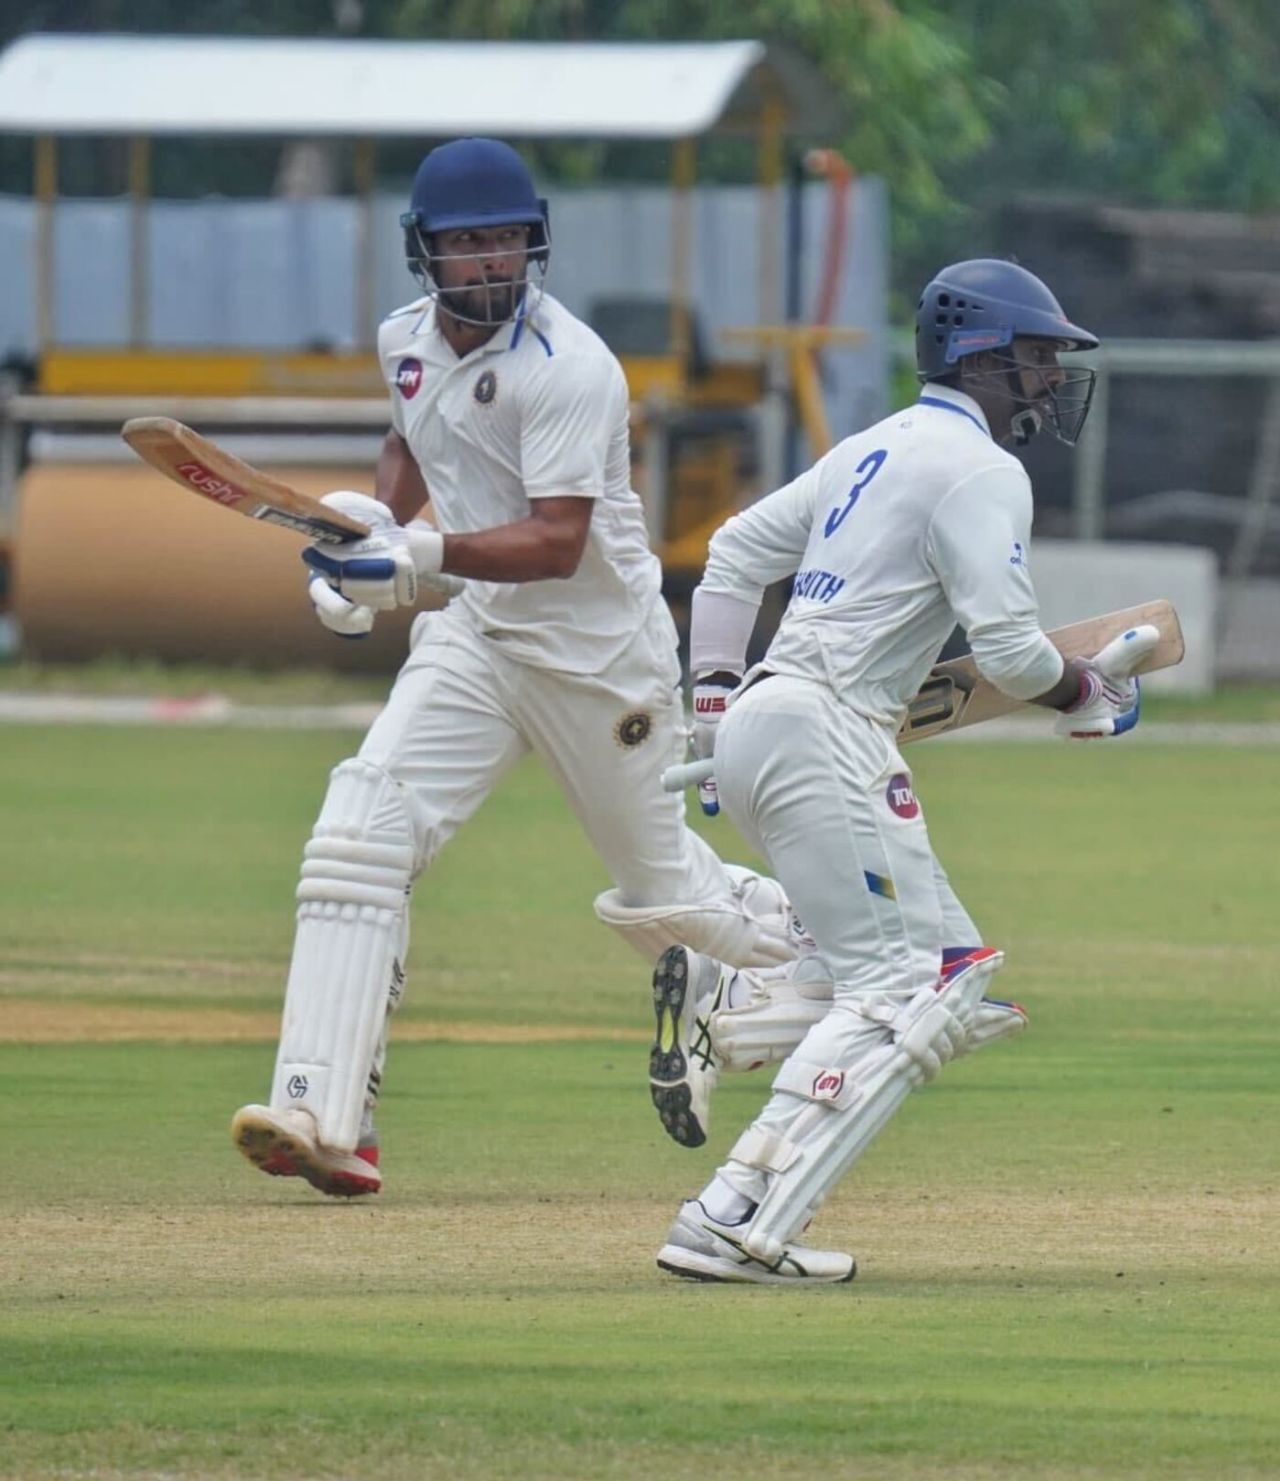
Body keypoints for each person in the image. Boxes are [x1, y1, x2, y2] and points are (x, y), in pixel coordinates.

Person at [230, 137, 800, 1197]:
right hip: (482, 639)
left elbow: (554, 542)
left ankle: (816, 960)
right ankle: (324, 1113)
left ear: (532, 242)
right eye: (465, 244)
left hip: (597, 659)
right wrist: (365, 535)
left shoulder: (568, 365)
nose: (489, 262)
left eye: (504, 241)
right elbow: (413, 444)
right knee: (357, 835)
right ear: (425, 254)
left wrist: (417, 556)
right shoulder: (404, 337)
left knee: (661, 892)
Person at [650, 258, 1141, 1284]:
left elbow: (734, 550)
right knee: (914, 987)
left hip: (765, 720)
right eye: (1039, 357)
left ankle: (729, 1007)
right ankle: (734, 1218)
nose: (1051, 380)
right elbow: (1009, 654)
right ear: (983, 355)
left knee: (956, 987)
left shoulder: (869, 448)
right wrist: (1083, 692)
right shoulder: (977, 471)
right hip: (825, 732)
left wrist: (710, 699)